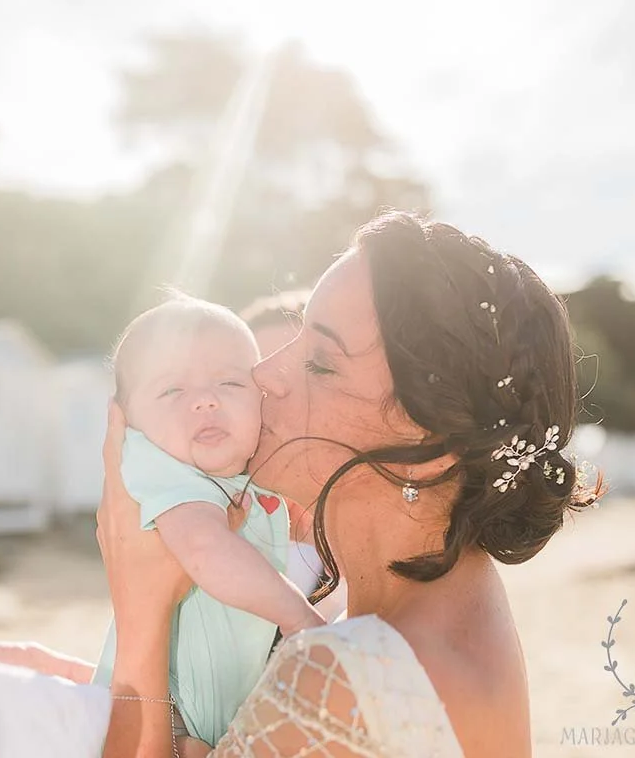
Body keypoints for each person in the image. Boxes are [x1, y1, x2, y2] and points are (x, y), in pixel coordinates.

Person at [96, 211, 603, 756]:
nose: (264, 373)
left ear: (430, 450)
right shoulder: (450, 617)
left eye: (320, 363)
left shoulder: (336, 677)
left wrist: (141, 610)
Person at [95, 295, 323, 748]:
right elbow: (205, 549)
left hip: (209, 715)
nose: (205, 401)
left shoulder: (232, 477)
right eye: (172, 390)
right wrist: (301, 619)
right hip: (167, 711)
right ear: (128, 420)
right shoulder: (161, 469)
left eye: (229, 383)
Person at [240, 289, 348, 620]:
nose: (268, 390)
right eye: (246, 380)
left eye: (295, 371)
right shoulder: (205, 523)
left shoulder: (367, 548)